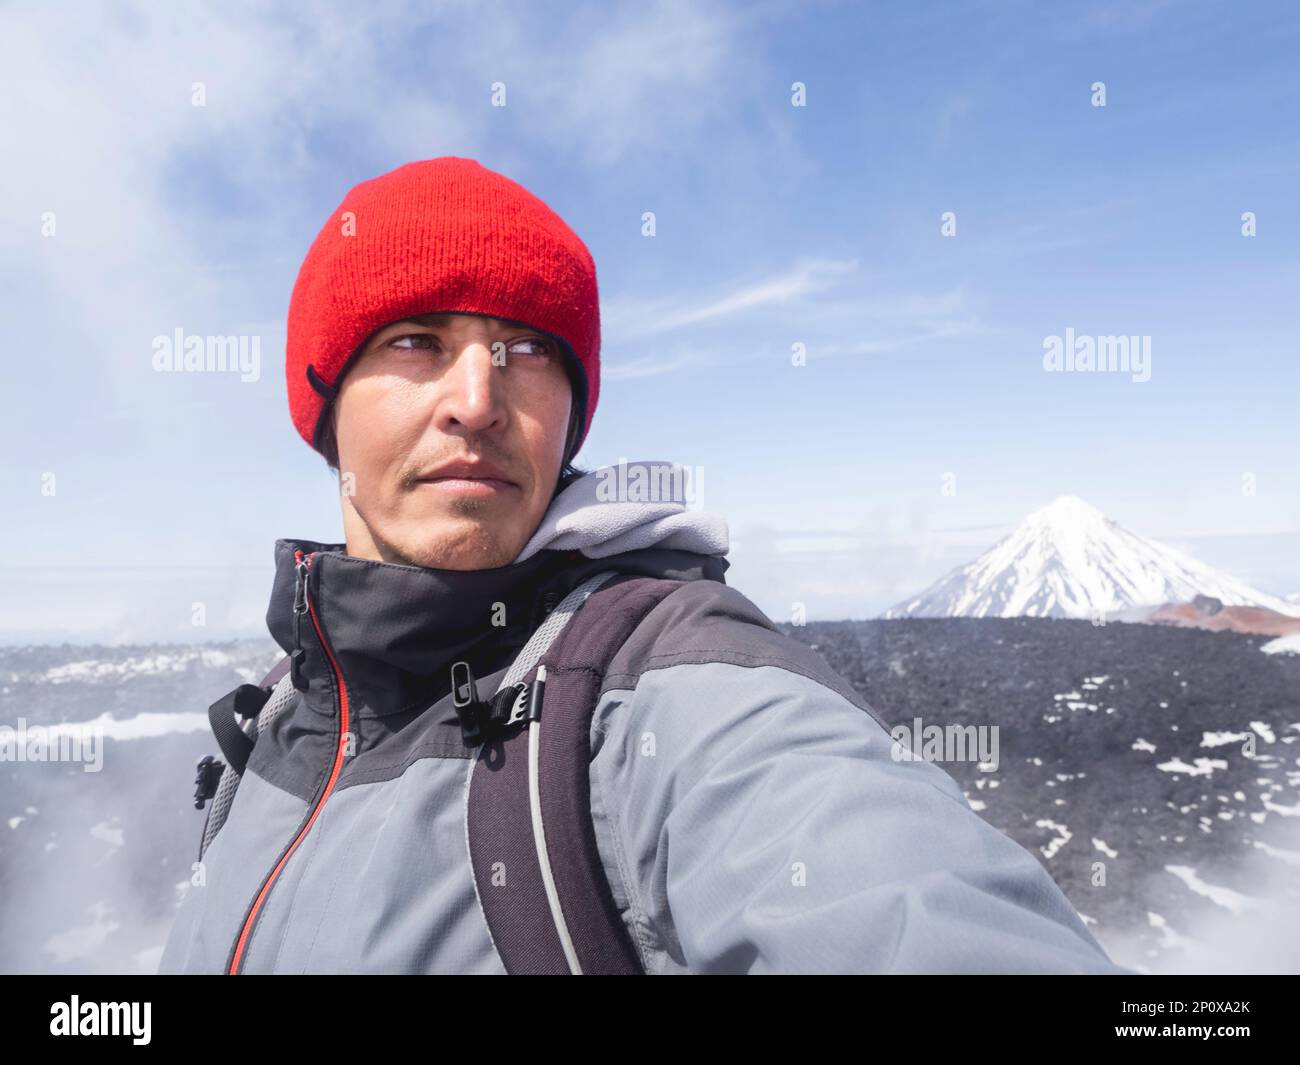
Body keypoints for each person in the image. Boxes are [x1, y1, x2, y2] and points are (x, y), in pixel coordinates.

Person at [158, 156, 1129, 975]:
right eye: (418, 341)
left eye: (527, 350)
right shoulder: (279, 718)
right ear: (325, 407)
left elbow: (911, 906)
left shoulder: (661, 682)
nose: (477, 398)